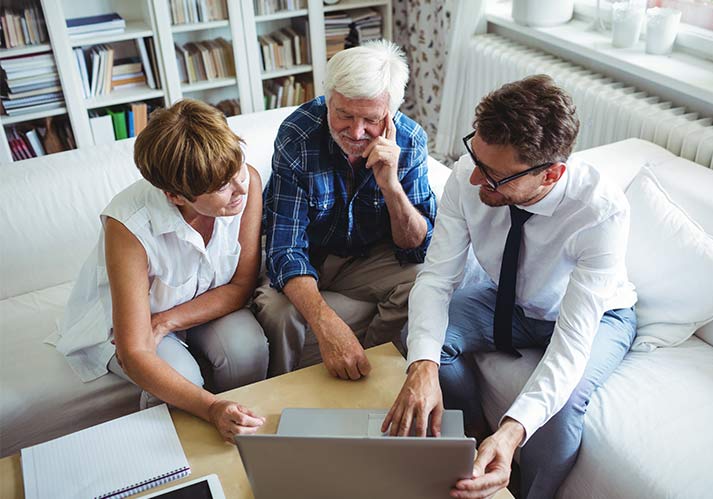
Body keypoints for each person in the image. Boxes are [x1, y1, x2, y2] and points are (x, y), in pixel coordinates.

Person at [383, 75, 638, 499]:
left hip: (594, 315)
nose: (473, 180)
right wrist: (423, 367)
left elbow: (572, 343)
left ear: (551, 174)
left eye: (495, 177)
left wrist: (513, 430)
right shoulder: (470, 174)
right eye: (476, 158)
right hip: (510, 302)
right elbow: (437, 277)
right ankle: (470, 436)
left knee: (556, 415)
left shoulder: (601, 213)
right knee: (419, 342)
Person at [50, 99, 269, 442]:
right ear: (175, 196)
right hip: (123, 326)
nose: (241, 188)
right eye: (222, 187)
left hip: (197, 305)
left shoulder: (246, 182)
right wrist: (212, 408)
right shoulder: (128, 226)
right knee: (182, 377)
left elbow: (241, 285)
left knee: (248, 348)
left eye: (238, 169)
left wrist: (167, 321)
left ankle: (249, 439)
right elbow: (134, 351)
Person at [254, 40, 437, 380]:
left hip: (368, 259)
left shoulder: (410, 140)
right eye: (344, 114)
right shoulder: (298, 135)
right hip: (310, 255)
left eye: (371, 119)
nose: (356, 132)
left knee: (423, 279)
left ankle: (371, 373)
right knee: (278, 312)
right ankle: (282, 389)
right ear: (328, 100)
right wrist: (327, 324)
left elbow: (417, 246)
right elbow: (286, 248)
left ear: (391, 113)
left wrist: (392, 187)